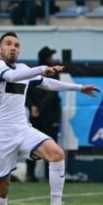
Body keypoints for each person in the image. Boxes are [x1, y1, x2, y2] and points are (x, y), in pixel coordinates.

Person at [0, 32, 101, 205]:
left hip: (22, 129)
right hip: (0, 134)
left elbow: (47, 83)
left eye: (16, 45)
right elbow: (12, 77)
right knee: (2, 186)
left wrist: (79, 88)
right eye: (8, 44)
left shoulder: (23, 69)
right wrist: (40, 68)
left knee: (56, 154)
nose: (13, 48)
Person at [25, 46, 63, 182]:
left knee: (50, 145)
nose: (52, 59)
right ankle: (30, 173)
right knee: (33, 145)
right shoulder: (34, 73)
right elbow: (26, 92)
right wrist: (31, 106)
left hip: (48, 115)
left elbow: (52, 94)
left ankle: (49, 174)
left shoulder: (52, 72)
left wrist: (37, 107)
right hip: (39, 115)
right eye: (50, 57)